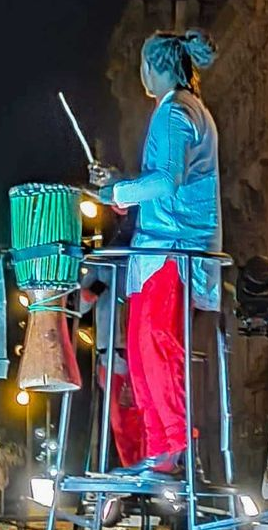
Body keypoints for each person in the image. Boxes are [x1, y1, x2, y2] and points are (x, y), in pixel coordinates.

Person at [89, 28, 221, 475]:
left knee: (156, 350)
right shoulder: (182, 111)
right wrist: (121, 187)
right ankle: (161, 446)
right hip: (165, 249)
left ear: (154, 67)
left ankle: (172, 444)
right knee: (144, 354)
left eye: (142, 65)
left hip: (172, 249)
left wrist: (118, 192)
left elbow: (166, 181)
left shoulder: (174, 114)